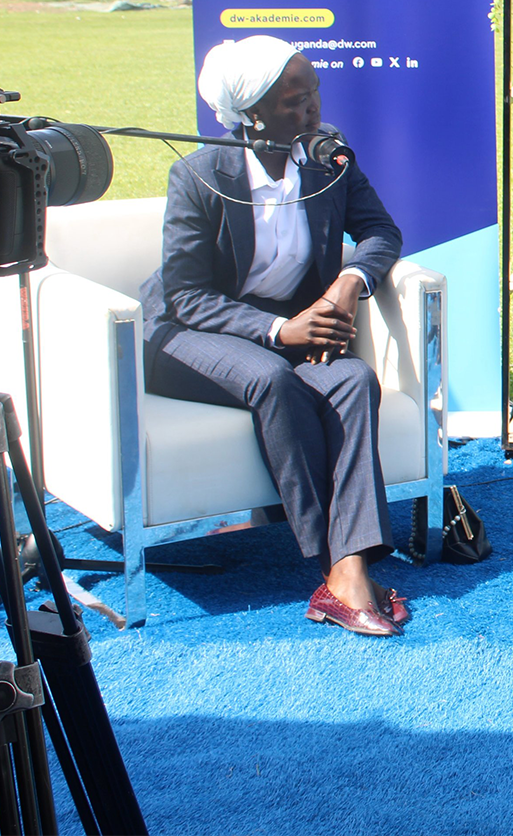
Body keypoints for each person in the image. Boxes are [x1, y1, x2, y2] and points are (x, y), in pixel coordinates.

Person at [140, 35, 411, 638]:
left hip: (293, 324)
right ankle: (336, 566)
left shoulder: (327, 154)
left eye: (314, 92)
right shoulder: (198, 173)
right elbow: (184, 296)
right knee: (269, 378)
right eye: (296, 101)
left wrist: (348, 283)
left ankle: (346, 572)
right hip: (190, 331)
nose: (314, 110)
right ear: (252, 113)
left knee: (353, 378)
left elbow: (380, 232)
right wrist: (279, 330)